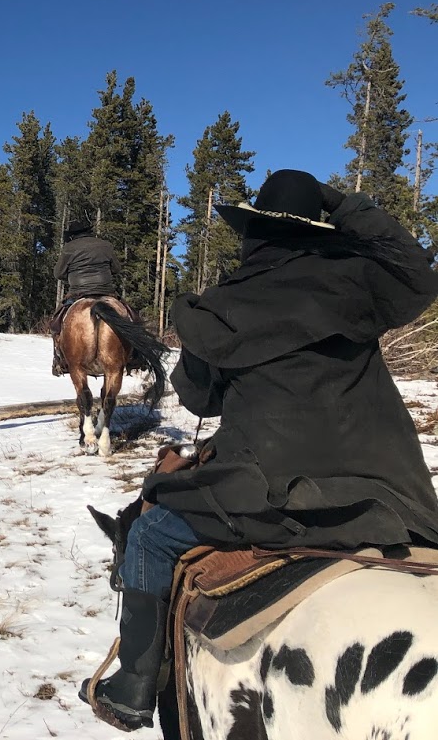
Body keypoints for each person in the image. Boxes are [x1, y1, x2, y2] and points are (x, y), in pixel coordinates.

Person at [80, 169, 438, 732]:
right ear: (319, 230)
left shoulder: (223, 306)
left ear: (255, 234)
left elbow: (197, 398)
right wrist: (345, 204)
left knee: (148, 535)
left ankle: (131, 687)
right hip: (384, 494)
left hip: (269, 497)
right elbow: (419, 273)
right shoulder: (359, 289)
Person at [51, 220, 125, 375]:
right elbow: (116, 269)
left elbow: (58, 273)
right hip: (106, 290)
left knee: (57, 322)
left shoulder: (69, 248)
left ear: (72, 235)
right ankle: (136, 355)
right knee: (132, 316)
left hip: (78, 292)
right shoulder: (105, 245)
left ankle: (60, 358)